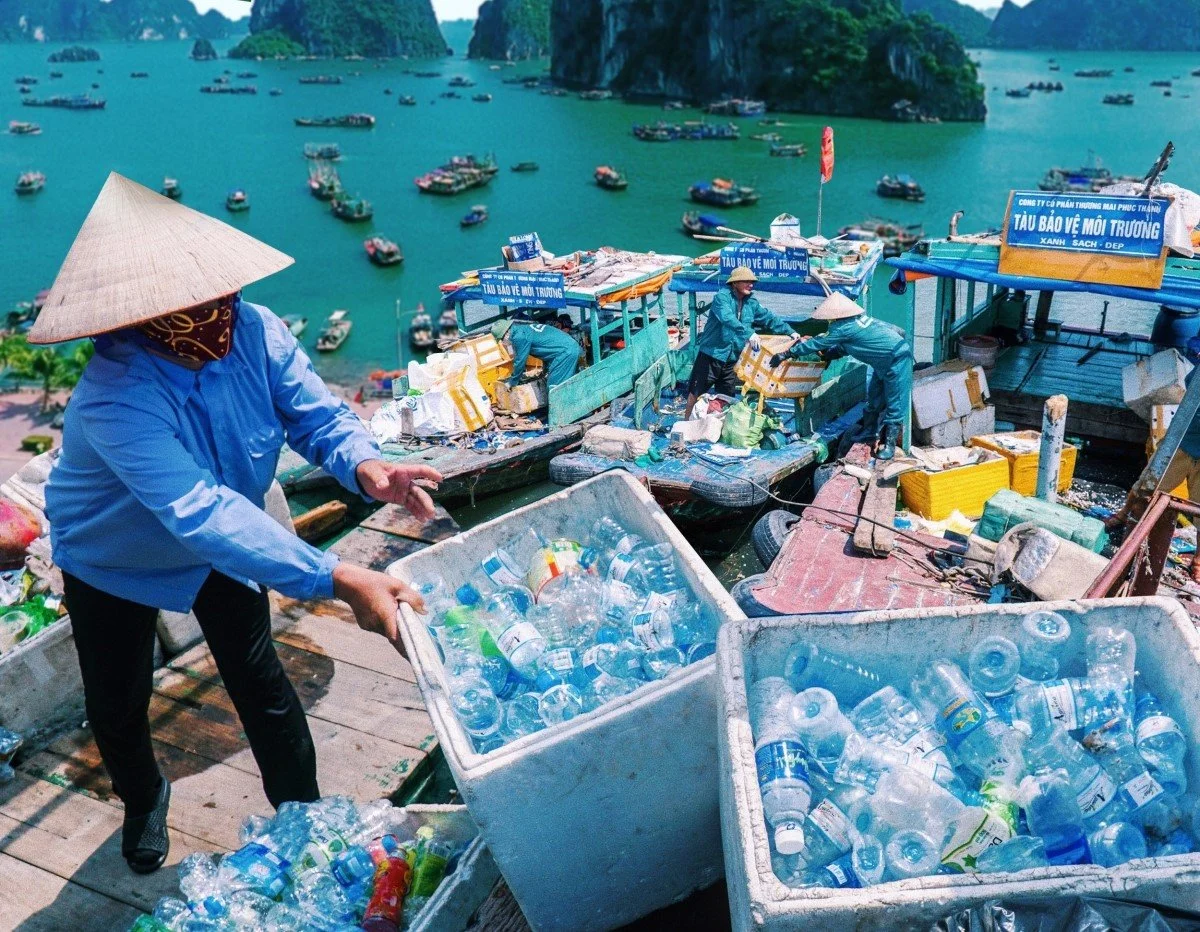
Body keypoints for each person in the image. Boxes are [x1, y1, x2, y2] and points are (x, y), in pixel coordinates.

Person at [32, 173, 441, 875]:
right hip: (114, 556)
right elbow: (198, 509)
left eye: (218, 296)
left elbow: (315, 415)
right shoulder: (113, 396)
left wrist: (370, 468)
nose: (215, 317)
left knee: (261, 683)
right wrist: (335, 575)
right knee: (118, 699)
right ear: (137, 318)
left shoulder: (257, 331)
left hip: (227, 547)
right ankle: (142, 798)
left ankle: (304, 824)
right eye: (188, 309)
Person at [772, 291, 913, 460]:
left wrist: (787, 353)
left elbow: (818, 343)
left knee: (895, 403)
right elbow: (844, 348)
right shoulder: (857, 322)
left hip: (897, 361)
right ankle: (869, 432)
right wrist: (827, 355)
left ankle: (889, 445)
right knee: (874, 398)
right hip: (881, 363)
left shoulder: (843, 327)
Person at [684, 266, 795, 419]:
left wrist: (791, 332)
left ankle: (721, 427)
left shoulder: (751, 302)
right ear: (734, 283)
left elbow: (769, 318)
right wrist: (750, 334)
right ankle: (685, 423)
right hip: (712, 354)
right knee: (696, 392)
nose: (751, 285)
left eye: (752, 282)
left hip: (733, 357)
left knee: (726, 397)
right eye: (746, 281)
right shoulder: (721, 298)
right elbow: (728, 318)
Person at [492, 317, 583, 388]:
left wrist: (512, 381)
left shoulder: (519, 337)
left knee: (554, 387)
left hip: (565, 352)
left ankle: (562, 411)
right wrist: (545, 369)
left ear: (506, 333)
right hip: (569, 347)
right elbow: (545, 349)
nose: (503, 342)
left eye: (501, 339)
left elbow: (520, 361)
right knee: (566, 381)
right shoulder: (522, 329)